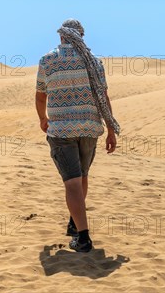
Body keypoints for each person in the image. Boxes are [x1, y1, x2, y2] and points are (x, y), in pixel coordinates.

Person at [35, 19, 120, 252]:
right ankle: (75, 221)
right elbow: (103, 97)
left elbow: (41, 95)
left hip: (62, 130)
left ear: (62, 36)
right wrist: (111, 130)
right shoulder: (94, 62)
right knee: (82, 176)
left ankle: (83, 238)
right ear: (81, 36)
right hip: (90, 128)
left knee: (72, 182)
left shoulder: (48, 60)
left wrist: (43, 118)